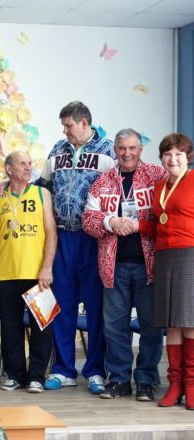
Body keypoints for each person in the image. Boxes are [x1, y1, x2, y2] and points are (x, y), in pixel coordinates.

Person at [35, 101, 115, 393]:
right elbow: (40, 188)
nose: (65, 131)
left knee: (95, 307)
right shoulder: (57, 150)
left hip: (94, 239)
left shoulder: (108, 151)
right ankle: (63, 369)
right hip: (62, 238)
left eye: (68, 125)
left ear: (84, 123)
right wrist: (6, 186)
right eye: (64, 126)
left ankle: (95, 370)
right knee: (62, 305)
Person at [82, 128, 165, 401]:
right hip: (113, 266)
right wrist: (111, 222)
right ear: (115, 150)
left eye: (132, 148)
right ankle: (119, 379)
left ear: (140, 149)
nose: (127, 153)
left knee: (151, 326)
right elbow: (88, 220)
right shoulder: (103, 180)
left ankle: (146, 380)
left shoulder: (157, 176)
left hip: (150, 267)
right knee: (114, 327)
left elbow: (170, 215)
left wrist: (141, 225)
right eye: (122, 148)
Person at [0, 151, 57, 393]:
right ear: (9, 168)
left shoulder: (41, 193)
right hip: (6, 274)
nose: (28, 167)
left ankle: (37, 376)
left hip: (38, 273)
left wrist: (47, 267)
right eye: (22, 164)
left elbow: (52, 233)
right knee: (10, 328)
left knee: (42, 326)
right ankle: (15, 375)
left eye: (29, 163)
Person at [139, 133, 194, 409]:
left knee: (190, 322)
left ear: (188, 157)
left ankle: (192, 385)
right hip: (164, 256)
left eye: (178, 154)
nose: (173, 159)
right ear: (161, 158)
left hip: (190, 254)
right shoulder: (160, 186)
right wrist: (136, 225)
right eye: (167, 154)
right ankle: (175, 384)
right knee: (171, 322)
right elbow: (159, 224)